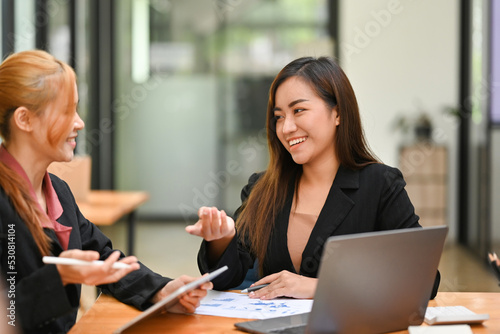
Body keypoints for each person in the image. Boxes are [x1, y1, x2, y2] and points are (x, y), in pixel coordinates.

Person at [186, 56, 440, 300]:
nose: (286, 128)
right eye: (279, 117)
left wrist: (319, 287)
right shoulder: (262, 188)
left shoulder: (380, 184)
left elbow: (423, 280)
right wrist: (220, 240)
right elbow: (227, 279)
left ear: (337, 113)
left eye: (299, 110)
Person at [0, 50, 211, 334]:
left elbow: (104, 257)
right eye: (66, 111)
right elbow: (7, 315)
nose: (79, 123)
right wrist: (59, 276)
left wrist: (163, 291)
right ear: (24, 119)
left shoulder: (58, 192)